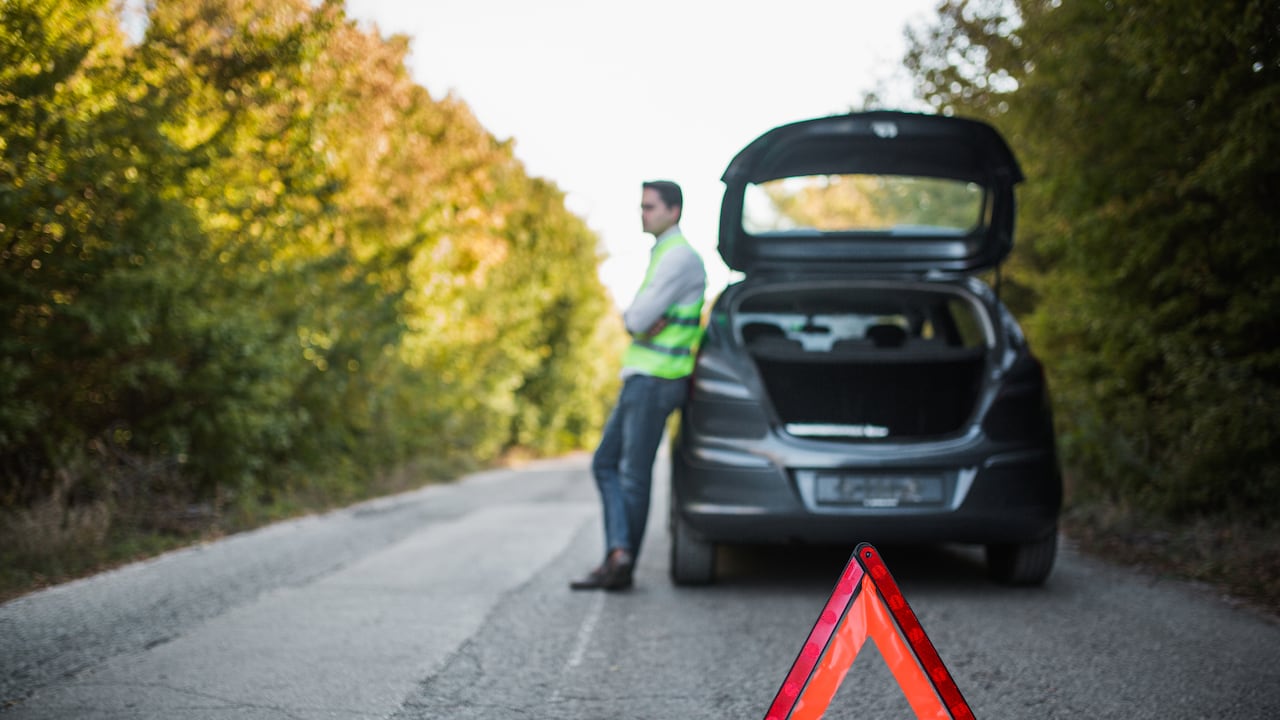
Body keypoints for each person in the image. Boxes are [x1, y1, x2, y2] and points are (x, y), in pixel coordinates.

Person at [570, 180, 706, 591]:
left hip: (656, 378)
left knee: (631, 473)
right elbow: (640, 320)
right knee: (606, 464)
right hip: (644, 377)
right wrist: (641, 322)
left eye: (649, 207)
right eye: (641, 206)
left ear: (673, 211)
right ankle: (618, 552)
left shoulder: (678, 257)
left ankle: (620, 559)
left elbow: (635, 319)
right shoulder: (664, 254)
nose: (642, 213)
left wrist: (640, 324)